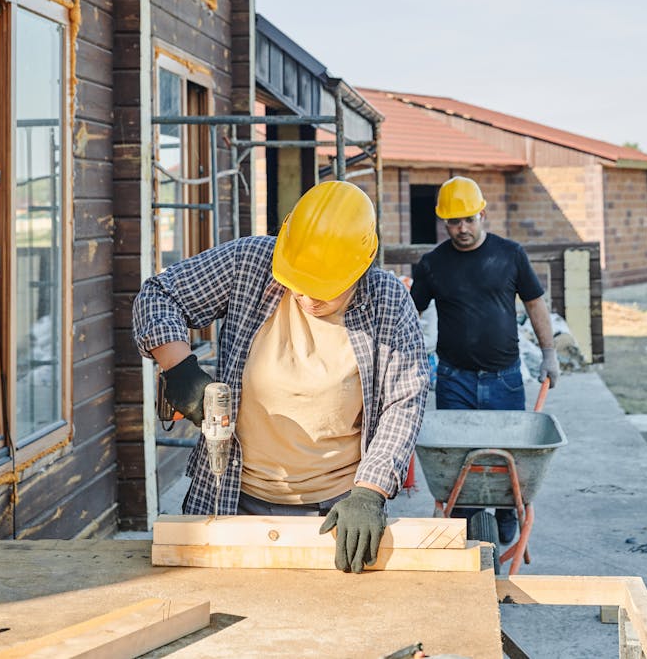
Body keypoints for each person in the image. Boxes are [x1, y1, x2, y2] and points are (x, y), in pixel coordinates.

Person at [133, 180, 429, 574]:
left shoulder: (387, 299)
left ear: (362, 265)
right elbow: (158, 295)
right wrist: (179, 367)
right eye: (299, 285)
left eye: (324, 290)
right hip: (228, 494)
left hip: (336, 510)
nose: (307, 298)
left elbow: (403, 401)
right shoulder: (250, 264)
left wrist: (369, 492)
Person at [410, 176, 559, 543]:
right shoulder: (433, 265)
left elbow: (535, 303)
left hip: (503, 379)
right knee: (458, 463)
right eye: (454, 222)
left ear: (482, 213)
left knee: (508, 459)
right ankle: (468, 523)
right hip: (453, 380)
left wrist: (550, 352)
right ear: (444, 223)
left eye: (469, 220)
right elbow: (410, 313)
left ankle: (507, 510)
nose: (462, 229)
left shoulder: (510, 254)